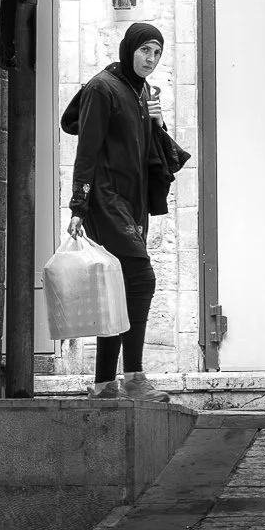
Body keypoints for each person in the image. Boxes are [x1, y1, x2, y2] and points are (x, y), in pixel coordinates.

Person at [62, 20, 188, 400]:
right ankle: (133, 377)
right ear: (129, 48)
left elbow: (162, 155)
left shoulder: (142, 91)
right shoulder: (104, 88)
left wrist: (158, 120)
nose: (150, 59)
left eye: (157, 53)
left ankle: (103, 384)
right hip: (105, 198)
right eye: (145, 50)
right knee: (141, 278)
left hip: (132, 205)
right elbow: (87, 149)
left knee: (116, 288)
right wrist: (79, 205)